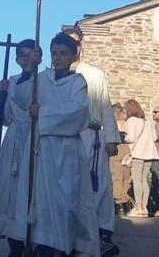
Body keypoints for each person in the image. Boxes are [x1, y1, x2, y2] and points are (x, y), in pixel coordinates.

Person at [11, 32, 96, 256]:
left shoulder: (77, 82)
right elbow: (21, 98)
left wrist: (44, 112)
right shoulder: (42, 78)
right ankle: (40, 245)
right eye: (54, 53)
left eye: (63, 53)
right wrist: (30, 69)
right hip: (40, 149)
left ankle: (66, 246)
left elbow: (78, 112)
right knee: (38, 200)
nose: (57, 58)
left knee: (65, 202)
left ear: (73, 56)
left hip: (66, 152)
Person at [62, 27, 121, 256]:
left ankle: (101, 233)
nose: (71, 47)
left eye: (75, 42)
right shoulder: (55, 73)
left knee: (98, 186)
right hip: (65, 137)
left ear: (81, 46)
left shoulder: (94, 73)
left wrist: (111, 138)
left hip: (91, 136)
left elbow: (105, 104)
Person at [0, 39, 40, 255]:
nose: (27, 59)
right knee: (10, 191)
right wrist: (0, 95)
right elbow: (3, 116)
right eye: (23, 56)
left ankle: (32, 242)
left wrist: (13, 88)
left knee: (30, 189)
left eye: (31, 55)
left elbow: (25, 98)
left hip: (34, 137)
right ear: (17, 59)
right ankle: (14, 243)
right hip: (14, 140)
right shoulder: (12, 81)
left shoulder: (43, 79)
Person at [122, 99, 156, 219]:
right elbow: (155, 137)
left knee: (136, 180)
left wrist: (125, 138)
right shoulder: (148, 121)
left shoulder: (131, 120)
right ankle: (144, 207)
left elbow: (130, 138)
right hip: (150, 153)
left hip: (138, 153)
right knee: (144, 180)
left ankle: (138, 207)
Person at [109, 103, 133, 215]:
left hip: (116, 148)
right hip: (127, 149)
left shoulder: (113, 124)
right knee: (126, 177)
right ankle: (126, 201)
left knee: (116, 176)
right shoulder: (127, 124)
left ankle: (119, 203)